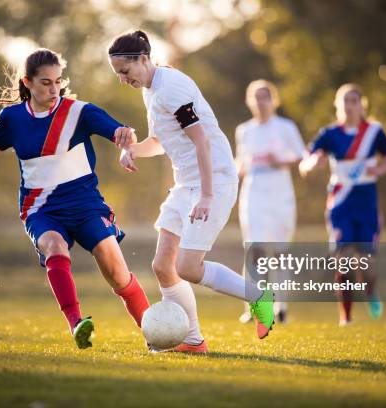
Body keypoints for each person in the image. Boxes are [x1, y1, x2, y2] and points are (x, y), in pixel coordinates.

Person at [0, 48, 150, 349]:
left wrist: (124, 139)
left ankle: (153, 333)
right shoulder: (12, 118)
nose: (54, 89)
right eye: (45, 82)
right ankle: (77, 323)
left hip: (86, 206)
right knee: (55, 246)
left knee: (118, 274)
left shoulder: (80, 112)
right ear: (27, 82)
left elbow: (121, 132)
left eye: (58, 81)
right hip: (41, 209)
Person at [108, 30, 275, 353]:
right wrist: (131, 151)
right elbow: (160, 142)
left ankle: (259, 296)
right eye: (118, 74)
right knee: (162, 266)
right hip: (186, 184)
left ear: (143, 59)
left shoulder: (172, 88)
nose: (122, 79)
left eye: (125, 72)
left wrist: (208, 196)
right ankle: (193, 340)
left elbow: (201, 141)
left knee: (188, 268)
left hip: (214, 181)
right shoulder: (151, 88)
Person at [299, 83, 386, 326]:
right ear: (338, 105)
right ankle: (346, 316)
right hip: (340, 204)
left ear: (361, 105)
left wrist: (379, 168)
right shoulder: (330, 134)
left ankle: (371, 291)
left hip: (367, 205)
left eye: (354, 100)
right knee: (342, 260)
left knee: (367, 263)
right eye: (345, 100)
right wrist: (313, 162)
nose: (350, 105)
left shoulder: (374, 132)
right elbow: (305, 160)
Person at [235, 80, 306, 325]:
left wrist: (280, 160)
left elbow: (301, 157)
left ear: (273, 100)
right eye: (256, 97)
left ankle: (281, 307)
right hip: (253, 192)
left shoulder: (286, 127)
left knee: (278, 251)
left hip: (280, 192)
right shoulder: (244, 130)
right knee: (254, 249)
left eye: (265, 97)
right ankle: (253, 307)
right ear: (249, 101)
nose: (260, 102)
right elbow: (240, 164)